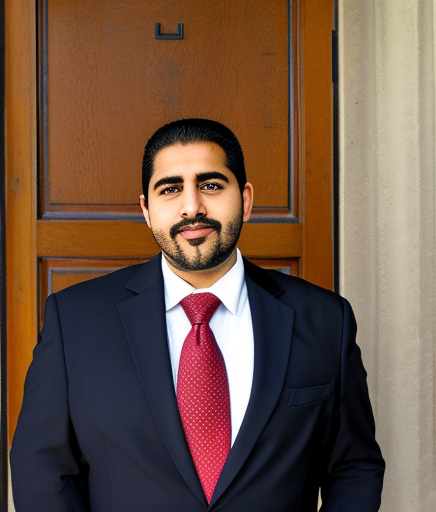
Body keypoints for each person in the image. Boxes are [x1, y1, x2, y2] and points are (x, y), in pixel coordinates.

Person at [11, 119, 385, 511]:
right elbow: (41, 469)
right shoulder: (74, 322)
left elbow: (354, 468)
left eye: (210, 185)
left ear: (246, 198)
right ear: (147, 209)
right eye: (171, 189)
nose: (192, 206)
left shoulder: (326, 320)